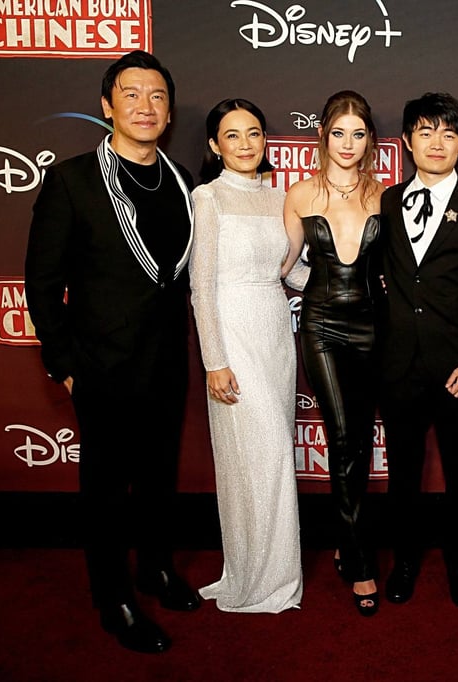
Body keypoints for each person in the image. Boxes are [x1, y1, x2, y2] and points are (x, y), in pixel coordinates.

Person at [24, 50, 199, 654]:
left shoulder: (184, 183)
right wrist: (65, 365)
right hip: (100, 366)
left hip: (166, 361)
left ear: (169, 111)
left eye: (156, 96)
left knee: (157, 480)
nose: (144, 107)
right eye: (131, 95)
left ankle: (153, 568)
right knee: (104, 488)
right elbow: (42, 283)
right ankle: (113, 598)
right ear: (108, 106)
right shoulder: (73, 180)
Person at [376, 92, 458, 608]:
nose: (436, 143)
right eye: (425, 133)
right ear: (406, 141)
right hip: (397, 363)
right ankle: (404, 562)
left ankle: (457, 564)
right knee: (402, 473)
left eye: (448, 134)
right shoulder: (385, 200)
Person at [189, 98, 303, 614]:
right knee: (256, 458)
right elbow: (201, 286)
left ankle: (274, 576)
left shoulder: (281, 196)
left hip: (276, 329)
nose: (244, 144)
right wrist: (215, 359)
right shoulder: (207, 197)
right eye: (231, 136)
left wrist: (354, 282)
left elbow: (290, 270)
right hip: (232, 334)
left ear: (265, 141)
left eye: (253, 133)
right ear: (215, 145)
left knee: (274, 458)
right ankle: (256, 578)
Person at [283, 90, 384, 617]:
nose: (348, 143)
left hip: (371, 329)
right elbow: (287, 265)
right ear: (322, 134)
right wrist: (316, 288)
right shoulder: (300, 194)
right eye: (339, 132)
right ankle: (362, 561)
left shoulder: (383, 195)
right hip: (321, 327)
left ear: (370, 140)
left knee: (361, 441)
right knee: (341, 435)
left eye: (359, 133)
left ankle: (347, 543)